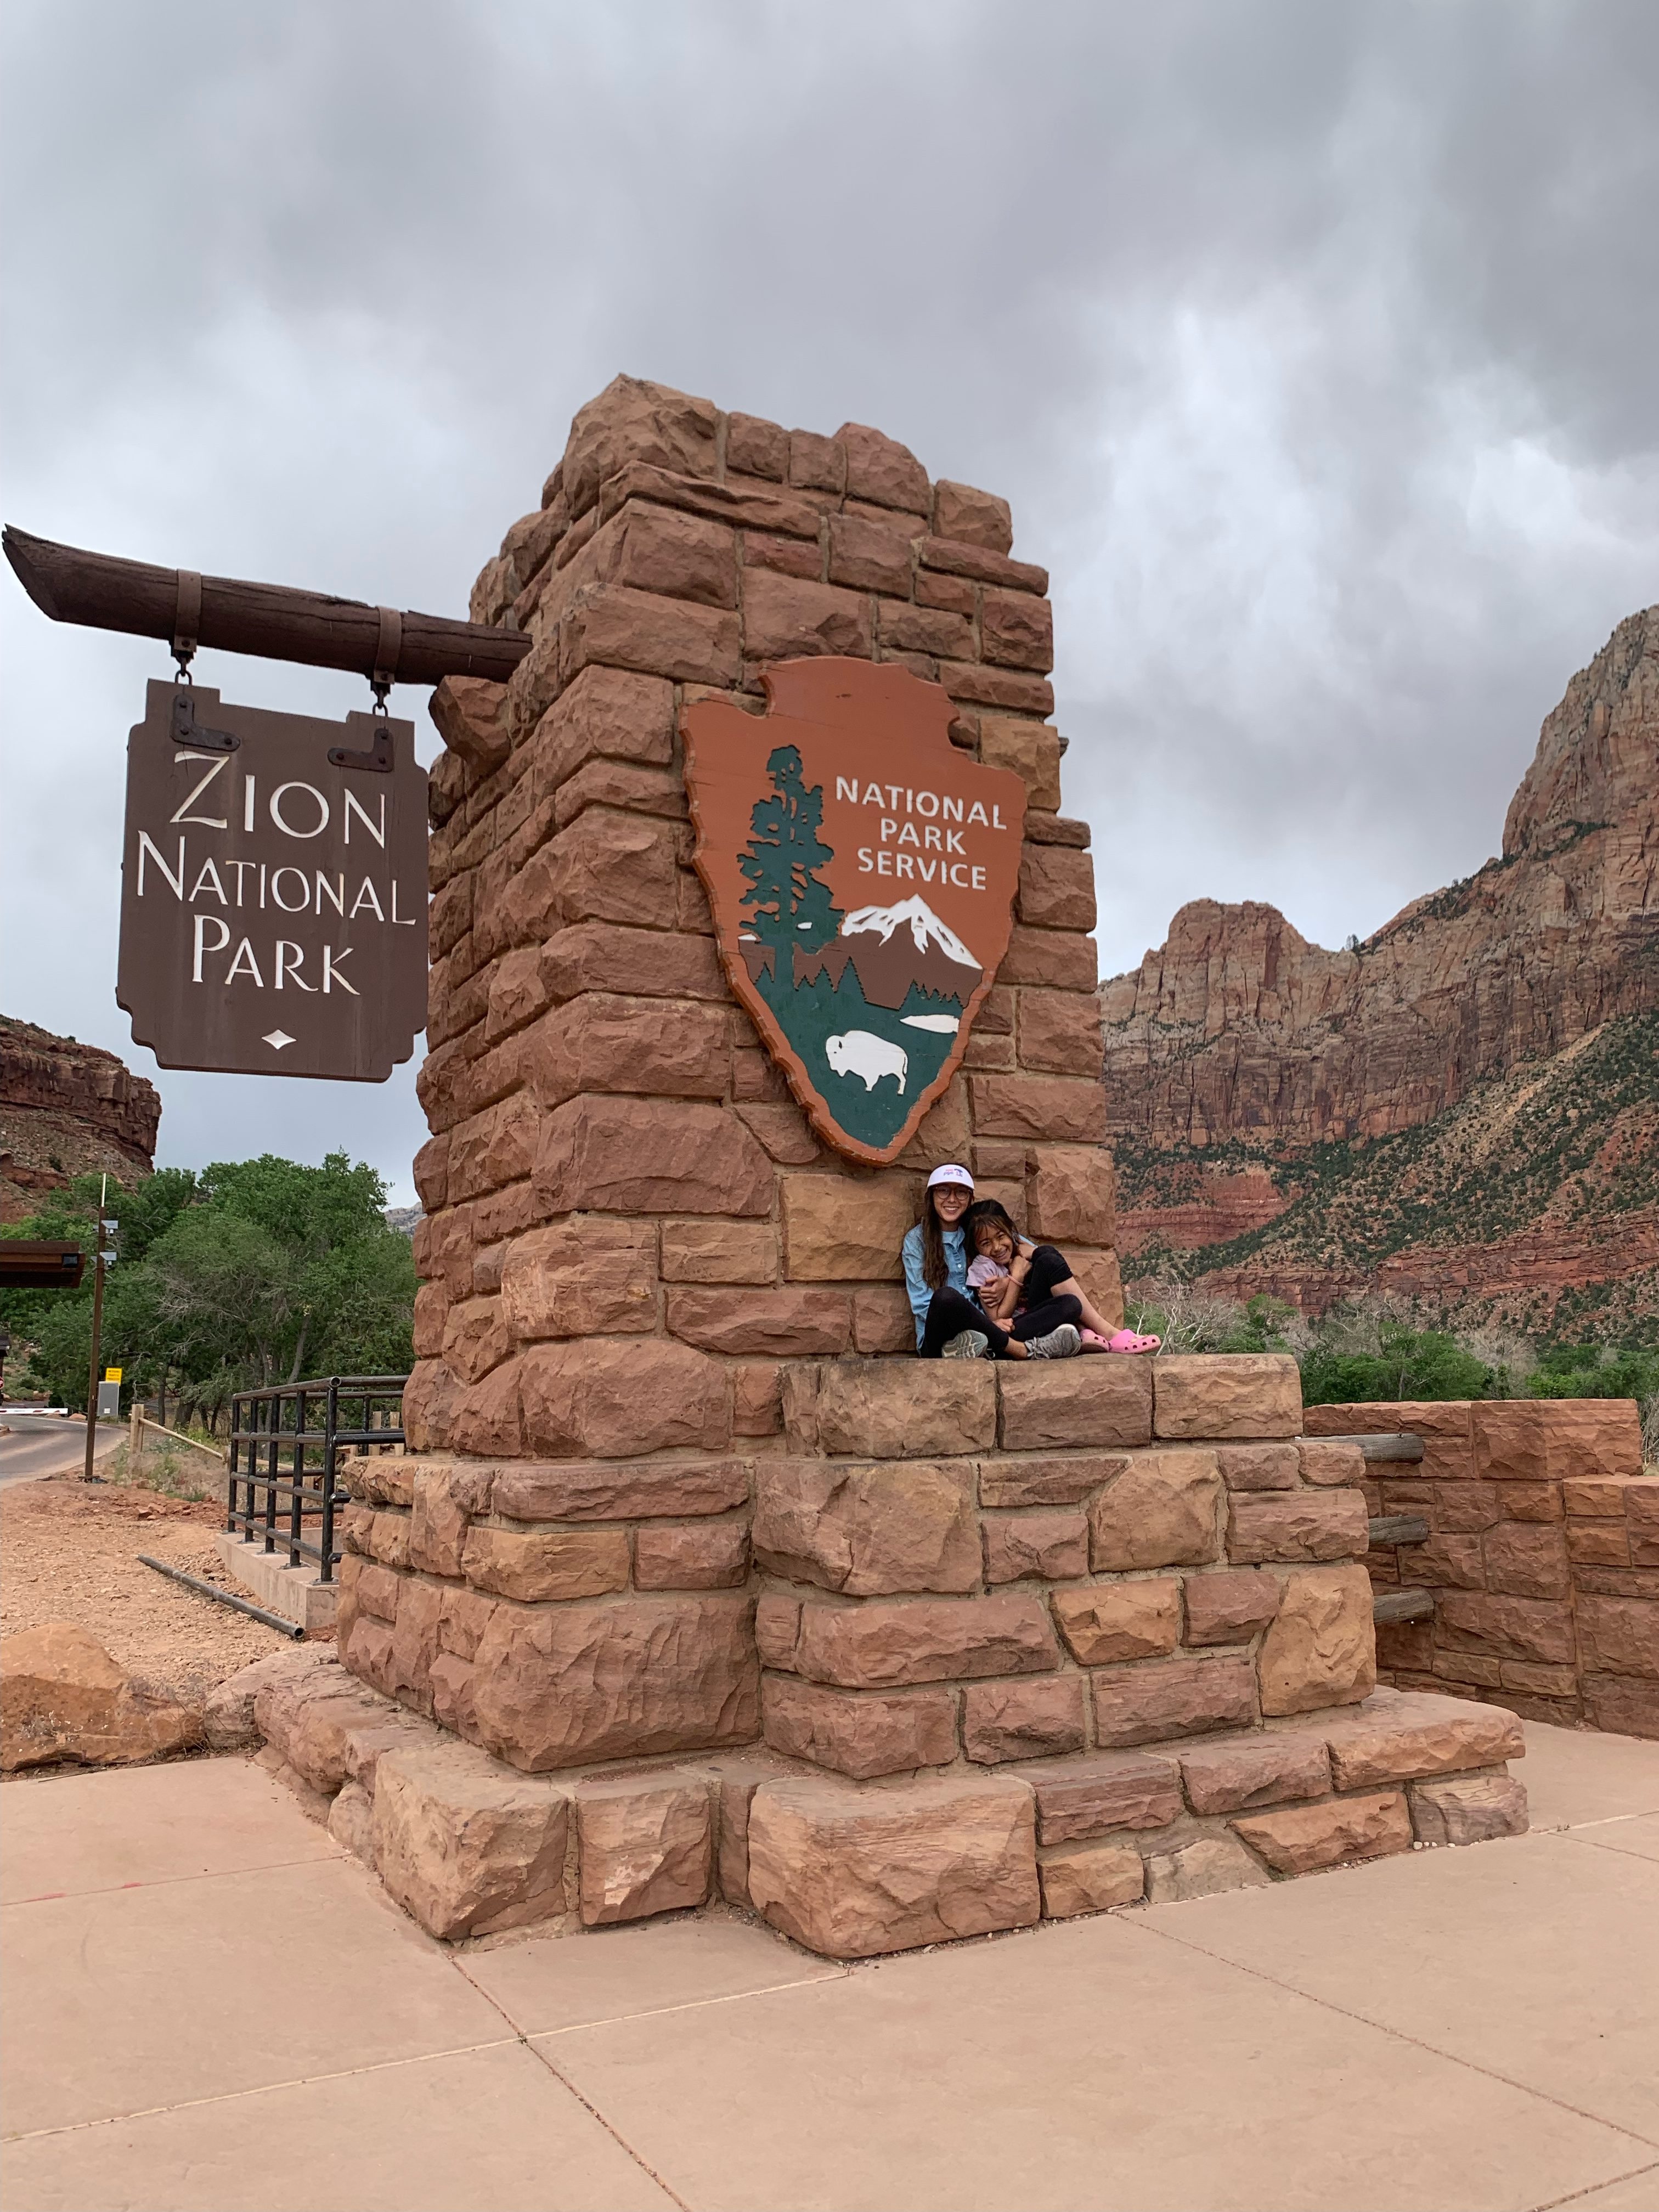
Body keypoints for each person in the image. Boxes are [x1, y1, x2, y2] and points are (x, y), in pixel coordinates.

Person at [901, 1165, 1080, 1360]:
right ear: (931, 1196)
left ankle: (989, 1351)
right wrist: (988, 1326)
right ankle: (1021, 1350)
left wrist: (1007, 1282)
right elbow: (923, 1307)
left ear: (970, 1198)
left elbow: (1028, 1252)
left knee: (1070, 1304)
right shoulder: (916, 1241)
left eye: (961, 1192)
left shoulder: (978, 1229)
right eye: (943, 1190)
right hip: (942, 1339)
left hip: (996, 1332)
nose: (952, 1199)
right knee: (946, 1298)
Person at [963, 1197, 1115, 1350]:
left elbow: (1044, 1260)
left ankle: (1089, 1331)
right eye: (986, 1243)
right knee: (1071, 1304)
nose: (996, 1247)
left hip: (1035, 1313)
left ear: (1011, 1231)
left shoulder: (1017, 1251)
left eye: (1001, 1236)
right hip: (1013, 1331)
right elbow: (1000, 1320)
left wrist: (1023, 1260)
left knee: (1045, 1254)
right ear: (976, 1248)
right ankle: (1086, 1330)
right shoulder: (982, 1268)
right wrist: (1016, 1278)